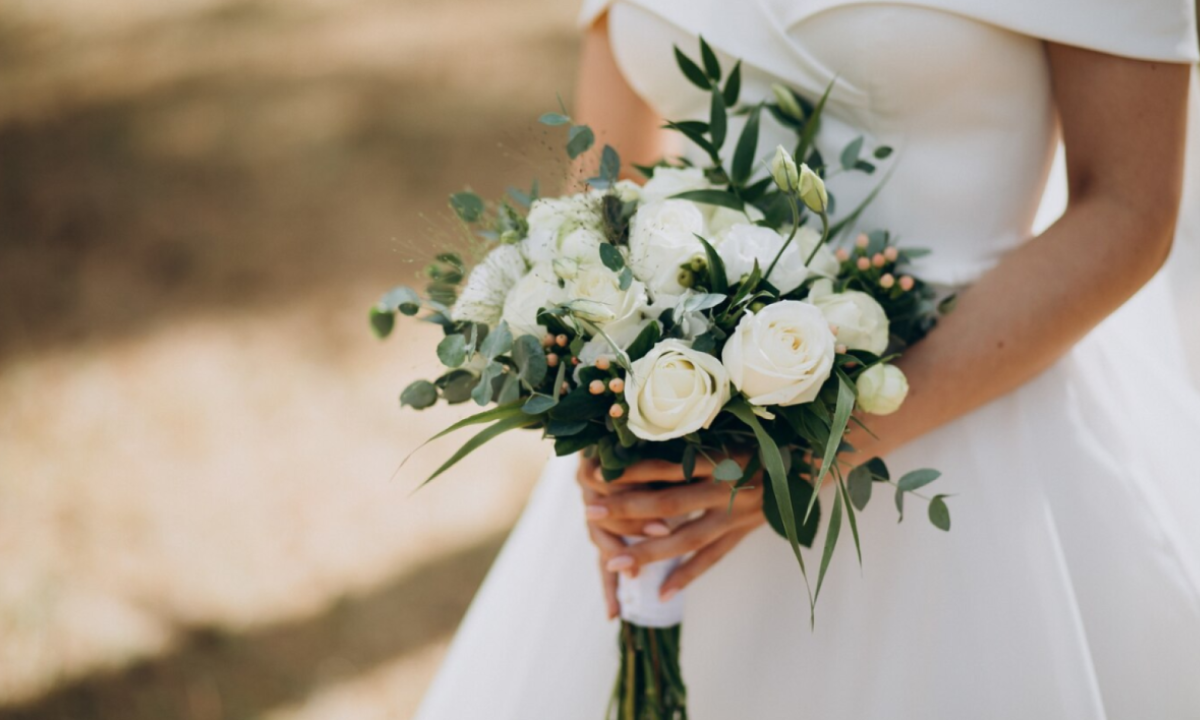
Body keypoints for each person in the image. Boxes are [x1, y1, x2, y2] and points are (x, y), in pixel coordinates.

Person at [416, 1, 1200, 717]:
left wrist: (811, 452)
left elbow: (1130, 208)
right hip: (683, 453)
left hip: (975, 440)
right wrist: (607, 406)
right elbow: (606, 187)